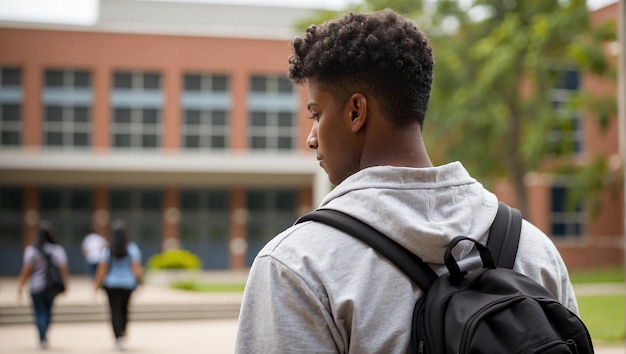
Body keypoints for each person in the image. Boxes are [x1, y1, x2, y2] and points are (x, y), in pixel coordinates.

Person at [235, 9, 580, 353]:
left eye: (317, 114)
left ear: (356, 112)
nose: (312, 138)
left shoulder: (297, 266)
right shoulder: (534, 250)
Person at [16, 221, 70, 350]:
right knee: (48, 311)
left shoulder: (31, 250)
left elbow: (26, 270)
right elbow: (63, 269)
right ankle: (45, 334)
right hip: (52, 286)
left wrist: (20, 285)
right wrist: (66, 284)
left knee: (39, 312)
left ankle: (42, 338)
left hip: (37, 286)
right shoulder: (57, 249)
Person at [93, 222, 143, 351]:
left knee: (114, 311)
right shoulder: (132, 248)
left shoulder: (107, 250)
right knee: (125, 310)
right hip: (128, 284)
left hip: (112, 284)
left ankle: (118, 337)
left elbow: (102, 269)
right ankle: (123, 333)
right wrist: (140, 281)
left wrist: (96, 285)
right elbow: (136, 268)